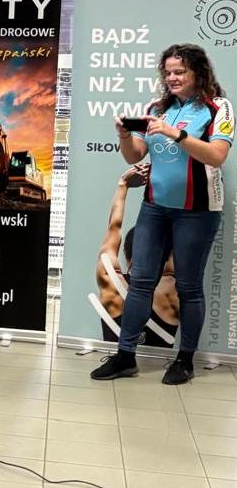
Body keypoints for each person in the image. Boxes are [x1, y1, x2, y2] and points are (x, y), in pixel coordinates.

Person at [91, 43, 232, 385]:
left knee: (188, 286)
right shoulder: (157, 108)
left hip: (197, 211)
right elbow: (134, 155)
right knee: (140, 281)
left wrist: (176, 134)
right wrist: (125, 136)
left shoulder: (218, 107)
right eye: (167, 72)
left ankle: (184, 360)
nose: (172, 77)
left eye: (179, 71)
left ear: (198, 72)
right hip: (155, 208)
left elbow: (216, 156)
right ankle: (125, 356)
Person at [92, 162, 178, 349]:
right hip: (157, 364)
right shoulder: (170, 288)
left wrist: (123, 185)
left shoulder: (111, 281)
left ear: (127, 254)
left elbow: (113, 227)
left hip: (116, 360)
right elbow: (175, 237)